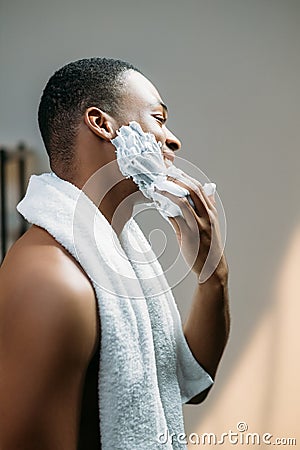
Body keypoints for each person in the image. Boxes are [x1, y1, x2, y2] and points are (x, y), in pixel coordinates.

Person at [0, 58, 230, 450]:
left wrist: (214, 272)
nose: (173, 140)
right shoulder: (52, 281)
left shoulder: (121, 254)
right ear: (103, 124)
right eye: (158, 118)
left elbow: (188, 384)